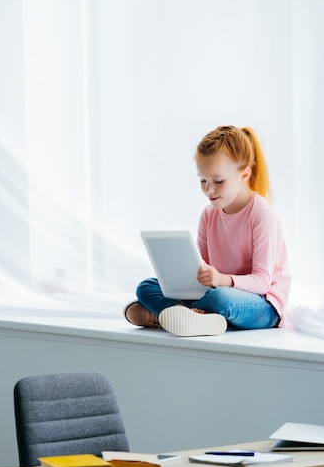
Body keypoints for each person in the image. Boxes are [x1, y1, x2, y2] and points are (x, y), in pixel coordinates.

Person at [124, 125, 291, 337]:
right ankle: (190, 315)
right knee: (146, 286)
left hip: (261, 303)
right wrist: (184, 276)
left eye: (218, 181)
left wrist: (222, 279)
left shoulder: (262, 214)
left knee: (220, 298)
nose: (209, 189)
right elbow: (201, 267)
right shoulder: (208, 214)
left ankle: (166, 314)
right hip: (213, 291)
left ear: (245, 174)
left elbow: (262, 281)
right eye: (203, 180)